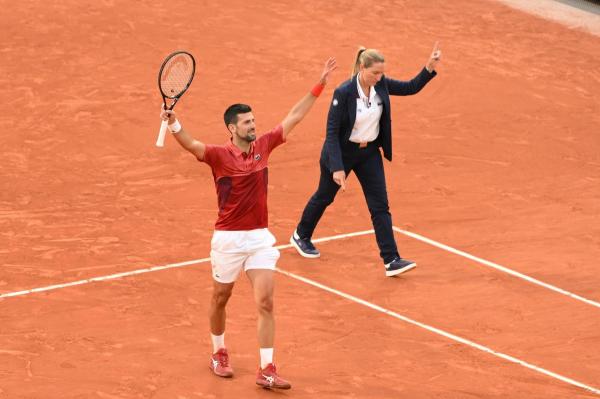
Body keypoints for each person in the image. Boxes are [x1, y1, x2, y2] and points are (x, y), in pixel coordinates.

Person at [160, 57, 337, 389]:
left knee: (266, 301)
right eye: (246, 122)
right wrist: (174, 124)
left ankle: (266, 368)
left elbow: (294, 116)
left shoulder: (264, 146)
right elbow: (191, 145)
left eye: (254, 120)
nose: (253, 126)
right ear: (232, 128)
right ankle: (218, 352)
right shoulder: (217, 155)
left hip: (258, 238)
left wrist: (320, 84)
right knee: (219, 298)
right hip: (227, 239)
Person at [290, 43, 441, 277]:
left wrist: (429, 67)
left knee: (380, 206)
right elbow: (331, 133)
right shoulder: (344, 92)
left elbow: (411, 87)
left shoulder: (381, 85)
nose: (379, 77)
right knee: (325, 196)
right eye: (375, 73)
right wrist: (338, 168)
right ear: (362, 67)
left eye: (381, 73)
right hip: (341, 152)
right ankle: (301, 234)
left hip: (369, 153)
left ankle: (391, 259)